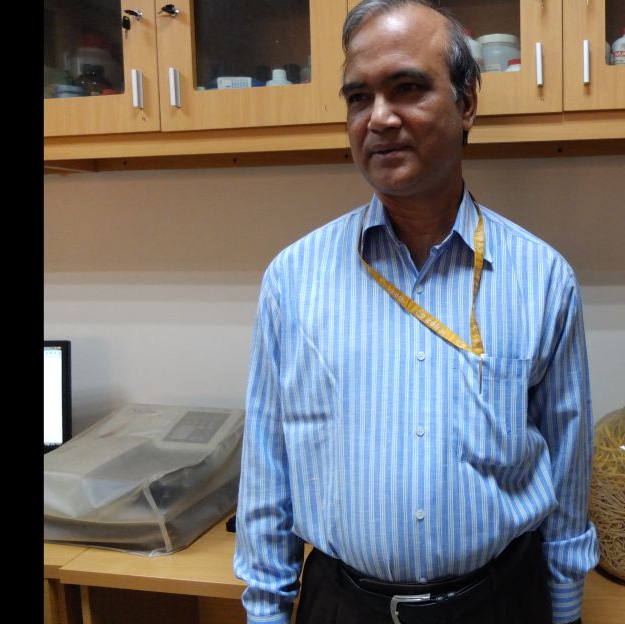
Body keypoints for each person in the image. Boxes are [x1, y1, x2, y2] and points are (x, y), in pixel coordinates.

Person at [233, 2, 597, 623]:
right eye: (358, 97)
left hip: (500, 604)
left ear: (468, 102)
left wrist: (565, 612)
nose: (378, 118)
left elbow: (566, 480)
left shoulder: (542, 279)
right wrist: (266, 612)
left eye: (407, 88)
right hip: (342, 604)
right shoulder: (293, 281)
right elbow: (269, 473)